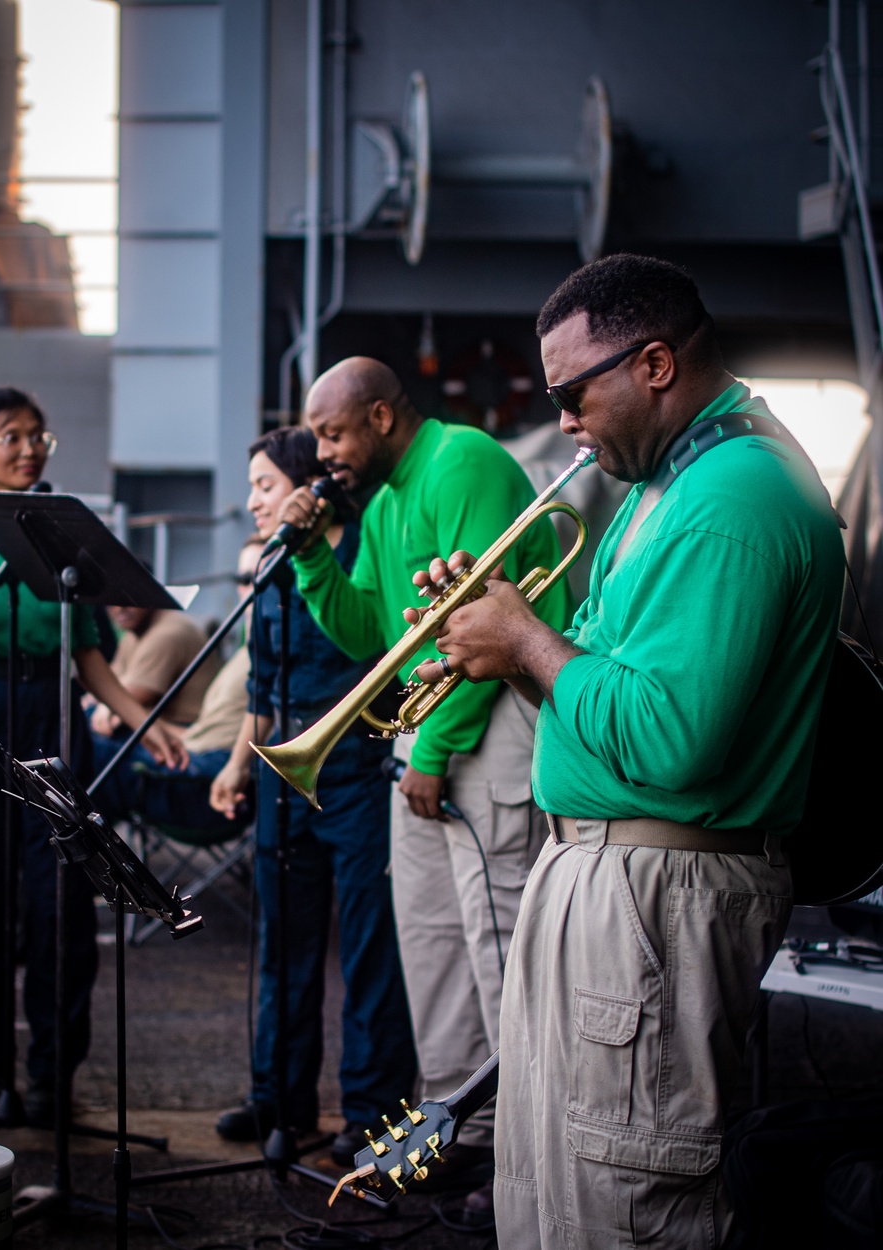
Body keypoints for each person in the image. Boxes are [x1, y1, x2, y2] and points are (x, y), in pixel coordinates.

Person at [412, 255, 846, 1248]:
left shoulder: (733, 495)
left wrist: (525, 638)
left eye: (571, 393)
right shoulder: (668, 486)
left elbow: (671, 738)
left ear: (654, 363)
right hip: (610, 875)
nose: (561, 419)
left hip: (655, 888)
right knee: (553, 1190)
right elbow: (600, 688)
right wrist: (501, 650)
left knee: (624, 1200)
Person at [274, 357, 575, 1206]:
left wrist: (434, 751)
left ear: (377, 416)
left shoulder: (462, 461)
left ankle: (524, 1147)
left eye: (331, 433)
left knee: (497, 949)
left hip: (487, 725)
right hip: (426, 735)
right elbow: (368, 627)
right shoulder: (385, 499)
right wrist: (311, 558)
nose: (322, 451)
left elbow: (487, 619)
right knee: (435, 946)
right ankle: (463, 1135)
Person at [0, 387, 185, 1122]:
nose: (28, 449)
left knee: (61, 902)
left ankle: (54, 1072)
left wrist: (145, 721)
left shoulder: (63, 534)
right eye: (11, 436)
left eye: (38, 437)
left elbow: (89, 657)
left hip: (51, 716)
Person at [209, 428, 415, 1165]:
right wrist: (237, 766)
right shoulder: (268, 562)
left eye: (266, 486)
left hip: (357, 768)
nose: (255, 502)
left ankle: (371, 1111)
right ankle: (279, 1101)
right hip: (279, 769)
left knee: (367, 950)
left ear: (307, 489)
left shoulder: (366, 547)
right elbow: (261, 690)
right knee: (282, 949)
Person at [90, 535, 262, 830]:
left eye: (255, 578)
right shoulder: (251, 650)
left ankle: (86, 853)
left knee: (84, 750)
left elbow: (115, 708)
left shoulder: (169, 633)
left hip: (199, 780)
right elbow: (105, 699)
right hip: (194, 756)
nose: (119, 607)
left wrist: (112, 710)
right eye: (242, 578)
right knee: (84, 742)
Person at [88, 599, 217, 739]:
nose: (119, 607)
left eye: (128, 598)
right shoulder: (134, 633)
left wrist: (105, 706)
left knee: (93, 736)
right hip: (160, 723)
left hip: (186, 731)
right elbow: (108, 683)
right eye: (110, 601)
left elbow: (131, 698)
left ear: (149, 592)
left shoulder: (166, 633)